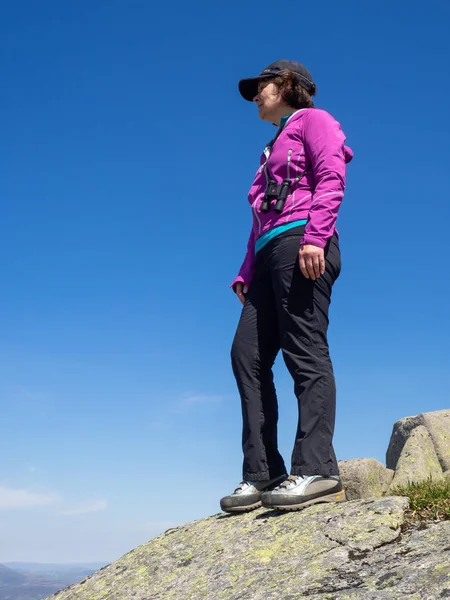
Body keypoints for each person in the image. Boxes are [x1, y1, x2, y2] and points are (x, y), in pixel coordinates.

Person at [220, 60, 353, 513]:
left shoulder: (314, 121)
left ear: (289, 85)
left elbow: (332, 176)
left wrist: (316, 237)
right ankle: (263, 473)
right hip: (269, 256)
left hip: (304, 243)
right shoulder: (271, 145)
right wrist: (246, 270)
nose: (256, 95)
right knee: (247, 356)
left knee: (304, 350)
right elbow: (260, 216)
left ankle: (317, 469)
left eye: (262, 86)